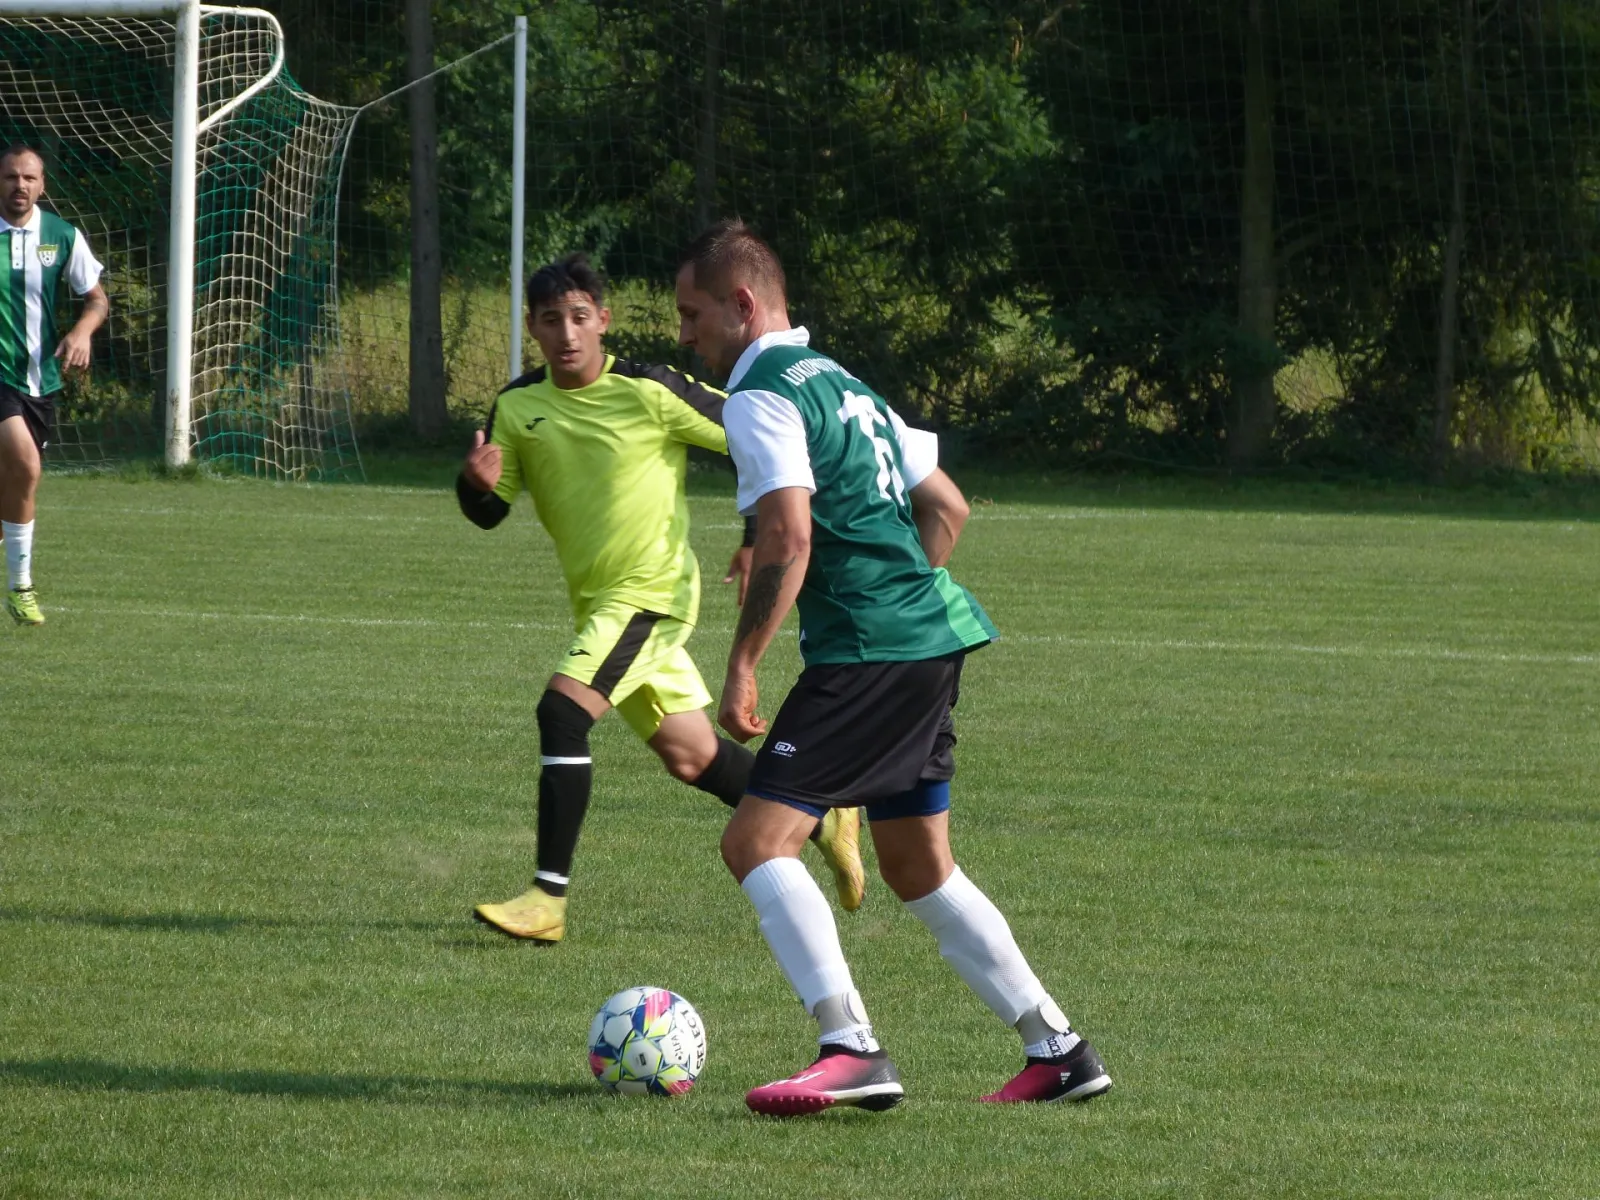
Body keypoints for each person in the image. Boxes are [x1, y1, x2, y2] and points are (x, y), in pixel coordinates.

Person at [675, 220, 1112, 1114]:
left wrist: (744, 663)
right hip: (929, 641)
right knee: (917, 864)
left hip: (869, 655)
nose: (686, 335)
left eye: (693, 314)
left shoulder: (758, 391)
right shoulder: (845, 384)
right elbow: (946, 507)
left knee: (754, 842)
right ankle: (1058, 1050)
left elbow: (789, 535)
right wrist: (901, 594)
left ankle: (851, 1049)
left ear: (742, 303)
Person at [456, 253, 864, 944]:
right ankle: (823, 815)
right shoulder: (517, 408)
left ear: (603, 320)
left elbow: (757, 437)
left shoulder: (651, 389)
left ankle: (547, 898)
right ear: (533, 327)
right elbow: (491, 511)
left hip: (652, 595)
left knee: (561, 712)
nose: (566, 334)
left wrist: (753, 534)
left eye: (579, 317)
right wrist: (473, 485)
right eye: (551, 320)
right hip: (600, 605)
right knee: (693, 758)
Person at [1, 145, 108, 626]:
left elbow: (96, 299)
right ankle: (21, 588)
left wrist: (82, 332)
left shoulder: (61, 236)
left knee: (15, 488)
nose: (19, 185)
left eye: (28, 178)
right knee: (25, 466)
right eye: (10, 177)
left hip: (39, 381)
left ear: (42, 185)